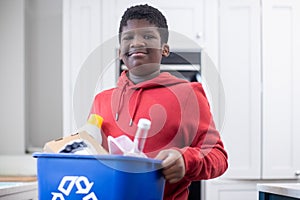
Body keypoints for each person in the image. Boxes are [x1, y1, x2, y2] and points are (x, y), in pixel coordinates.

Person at [89, 4, 228, 200]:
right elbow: (88, 153)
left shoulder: (188, 95)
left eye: (148, 36)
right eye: (128, 37)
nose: (137, 43)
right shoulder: (101, 101)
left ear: (164, 49)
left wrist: (186, 160)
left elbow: (218, 156)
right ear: (120, 51)